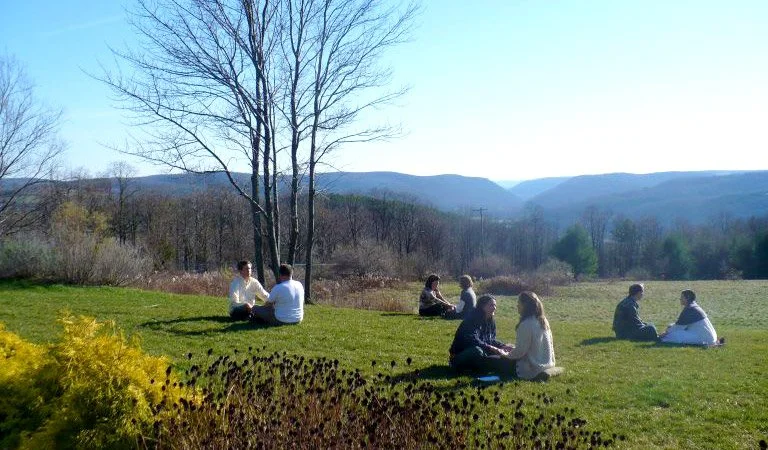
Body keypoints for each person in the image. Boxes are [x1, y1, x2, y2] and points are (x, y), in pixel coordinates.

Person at [449, 295, 516, 376]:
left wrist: (503, 346)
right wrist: (493, 348)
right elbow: (472, 340)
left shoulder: (490, 321)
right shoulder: (472, 320)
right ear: (482, 306)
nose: (494, 308)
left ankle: (498, 365)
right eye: (491, 305)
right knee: (478, 351)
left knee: (502, 353)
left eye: (495, 305)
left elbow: (491, 340)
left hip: (481, 352)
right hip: (460, 356)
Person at [501, 291, 556, 380]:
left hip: (531, 368)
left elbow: (520, 352)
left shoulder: (526, 324)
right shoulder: (543, 320)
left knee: (493, 360)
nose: (517, 305)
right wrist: (513, 347)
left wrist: (505, 354)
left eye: (519, 303)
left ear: (525, 306)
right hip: (547, 363)